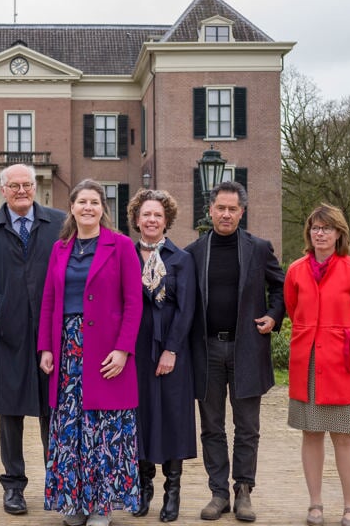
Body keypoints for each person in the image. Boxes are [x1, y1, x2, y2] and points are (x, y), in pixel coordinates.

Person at [38, 178, 143, 526]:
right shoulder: (60, 249)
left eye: (94, 203)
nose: (88, 208)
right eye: (82, 202)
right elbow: (49, 301)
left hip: (106, 351)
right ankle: (74, 503)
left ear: (103, 209)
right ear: (72, 207)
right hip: (67, 349)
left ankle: (101, 507)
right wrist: (46, 348)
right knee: (70, 428)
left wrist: (124, 350)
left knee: (104, 429)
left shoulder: (122, 245)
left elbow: (134, 303)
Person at [185, 180, 285, 522]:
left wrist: (273, 316)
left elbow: (281, 286)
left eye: (233, 209)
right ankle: (218, 493)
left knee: (247, 427)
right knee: (211, 425)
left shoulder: (258, 248)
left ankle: (243, 490)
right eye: (221, 208)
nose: (226, 214)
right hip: (207, 349)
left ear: (242, 212)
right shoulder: (193, 252)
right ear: (210, 210)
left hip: (247, 349)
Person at [0, 164, 63, 515]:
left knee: (51, 408)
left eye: (28, 184)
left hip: (49, 332)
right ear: (3, 189)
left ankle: (56, 482)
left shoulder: (58, 223)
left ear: (35, 187)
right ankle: (13, 486)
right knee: (10, 411)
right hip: (7, 332)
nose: (22, 190)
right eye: (15, 185)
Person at [284, 204, 350, 526]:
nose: (320, 233)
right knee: (311, 432)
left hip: (343, 364)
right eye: (315, 228)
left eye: (327, 228)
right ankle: (315, 504)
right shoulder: (295, 270)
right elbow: (294, 310)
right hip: (307, 361)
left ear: (339, 233)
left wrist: (340, 338)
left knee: (345, 436)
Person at [126, 188, 197, 523]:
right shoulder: (125, 254)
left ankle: (172, 490)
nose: (151, 219)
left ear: (166, 220)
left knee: (171, 416)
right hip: (135, 347)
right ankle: (143, 487)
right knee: (139, 415)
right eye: (146, 214)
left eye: (158, 215)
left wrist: (171, 349)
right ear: (137, 220)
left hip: (171, 348)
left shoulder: (180, 259)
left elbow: (186, 311)